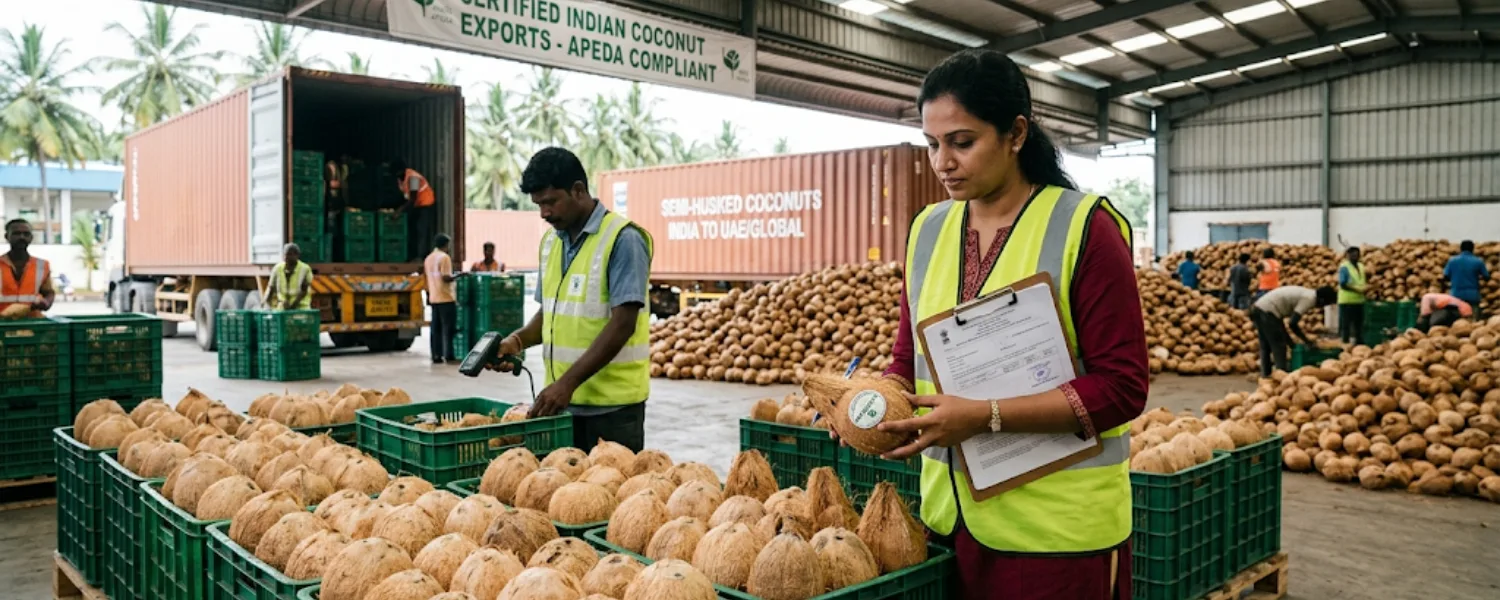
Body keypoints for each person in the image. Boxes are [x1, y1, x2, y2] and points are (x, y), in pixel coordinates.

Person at [865, 50, 1147, 599]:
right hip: (949, 524)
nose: (942, 162)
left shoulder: (1084, 227)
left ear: (1016, 133)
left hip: (1057, 536)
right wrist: (870, 403)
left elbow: (1122, 387)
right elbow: (907, 359)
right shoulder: (928, 229)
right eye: (932, 144)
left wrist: (984, 416)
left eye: (962, 142)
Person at [493, 147, 654, 453]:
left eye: (550, 202)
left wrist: (566, 383)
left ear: (578, 190)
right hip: (562, 407)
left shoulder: (623, 239)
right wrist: (515, 342)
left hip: (613, 412)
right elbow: (550, 314)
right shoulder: (551, 243)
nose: (544, 213)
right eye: (539, 205)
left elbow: (623, 323)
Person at [1250, 285, 1337, 376]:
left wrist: (1290, 342)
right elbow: (1292, 323)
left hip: (1258, 308)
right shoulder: (1309, 299)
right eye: (1325, 304)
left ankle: (1265, 375)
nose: (1321, 307)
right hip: (1267, 311)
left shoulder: (1308, 293)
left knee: (1265, 345)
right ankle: (1281, 375)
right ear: (1322, 300)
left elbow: (1280, 324)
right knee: (1279, 346)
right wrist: (1307, 341)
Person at [1, 219, 55, 317]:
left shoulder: (41, 265)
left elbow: (48, 292)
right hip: (3, 322)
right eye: (16, 234)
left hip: (32, 321)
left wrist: (46, 302)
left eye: (26, 234)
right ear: (6, 236)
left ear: (31, 237)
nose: (22, 237)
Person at [391, 160, 437, 260]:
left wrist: (399, 211)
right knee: (413, 230)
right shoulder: (401, 178)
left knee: (421, 230)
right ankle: (412, 255)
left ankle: (420, 256)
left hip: (425, 203)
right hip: (416, 204)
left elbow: (413, 198)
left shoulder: (413, 178)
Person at [425, 234, 458, 364]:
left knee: (436, 328)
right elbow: (446, 277)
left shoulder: (429, 258)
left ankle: (436, 355)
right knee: (449, 328)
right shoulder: (444, 257)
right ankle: (448, 354)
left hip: (434, 297)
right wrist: (459, 276)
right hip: (446, 297)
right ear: (445, 245)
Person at [1444, 240, 1489, 314]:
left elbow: (1445, 276)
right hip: (1473, 295)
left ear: (1461, 249)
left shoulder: (1452, 261)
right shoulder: (1478, 261)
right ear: (1472, 249)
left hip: (1456, 294)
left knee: (1457, 318)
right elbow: (1486, 277)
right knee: (1473, 317)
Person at [265, 243, 313, 310]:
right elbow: (271, 288)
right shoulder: (277, 268)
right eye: (285, 254)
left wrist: (292, 306)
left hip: (301, 308)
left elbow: (304, 291)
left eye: (289, 254)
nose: (286, 257)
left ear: (297, 255)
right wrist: (266, 305)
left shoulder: (305, 269)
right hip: (283, 308)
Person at [1336, 247, 1368, 344]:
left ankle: (1359, 345)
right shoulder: (1344, 267)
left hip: (1359, 301)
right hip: (1346, 301)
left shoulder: (1361, 266)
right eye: (1352, 254)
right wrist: (1357, 290)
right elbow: (1343, 283)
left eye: (1356, 254)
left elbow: (1362, 280)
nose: (1355, 256)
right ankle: (1345, 345)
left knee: (1359, 325)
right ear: (1348, 255)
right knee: (1346, 325)